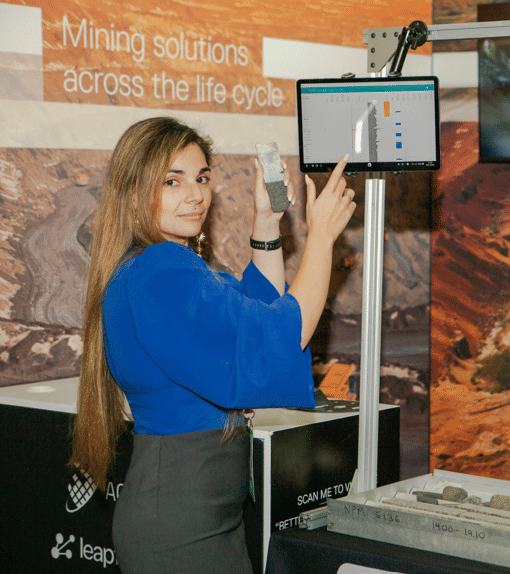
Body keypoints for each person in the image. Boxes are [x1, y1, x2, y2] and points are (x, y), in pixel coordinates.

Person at [69, 116, 356, 573]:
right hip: (181, 520)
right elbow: (277, 336)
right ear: (134, 189)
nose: (195, 194)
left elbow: (255, 316)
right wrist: (320, 238)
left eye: (202, 178)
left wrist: (267, 223)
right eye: (172, 181)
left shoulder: (160, 267)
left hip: (194, 512)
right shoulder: (160, 270)